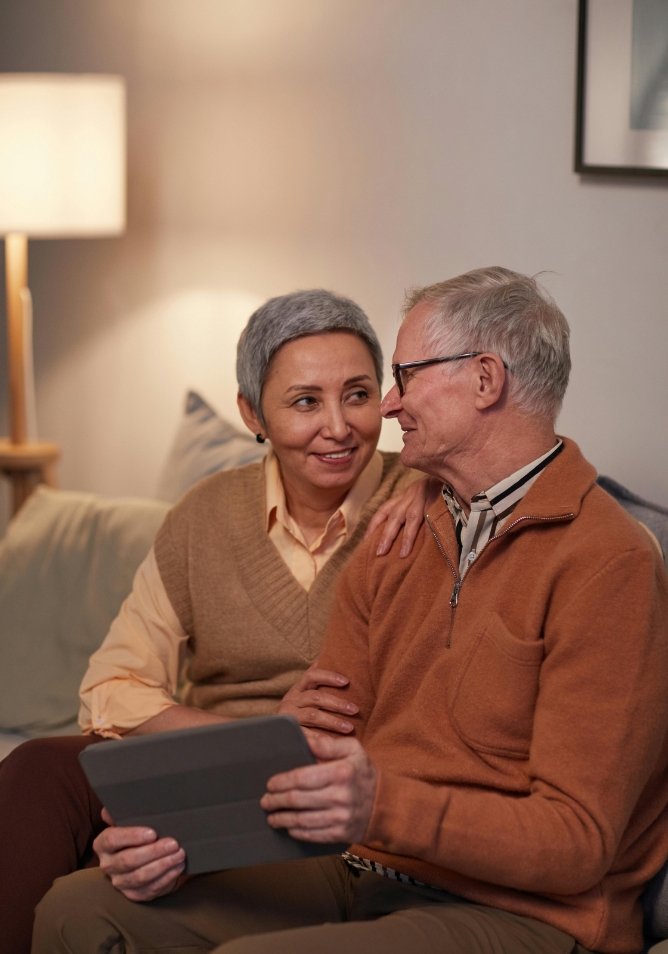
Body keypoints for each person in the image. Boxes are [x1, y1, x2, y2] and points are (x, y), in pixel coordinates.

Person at [33, 268, 668, 954]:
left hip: (525, 912)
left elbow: (577, 843)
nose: (389, 406)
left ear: (486, 380)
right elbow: (319, 749)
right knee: (79, 908)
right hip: (362, 868)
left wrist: (379, 806)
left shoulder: (609, 561)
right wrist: (177, 837)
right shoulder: (398, 535)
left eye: (405, 378)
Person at [0, 289, 433, 954]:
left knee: (96, 881)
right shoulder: (205, 514)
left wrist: (436, 484)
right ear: (252, 413)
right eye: (305, 402)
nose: (339, 427)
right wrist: (261, 736)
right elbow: (112, 688)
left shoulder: (431, 500)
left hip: (336, 786)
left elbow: (532, 457)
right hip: (217, 760)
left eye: (357, 395)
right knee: (38, 768)